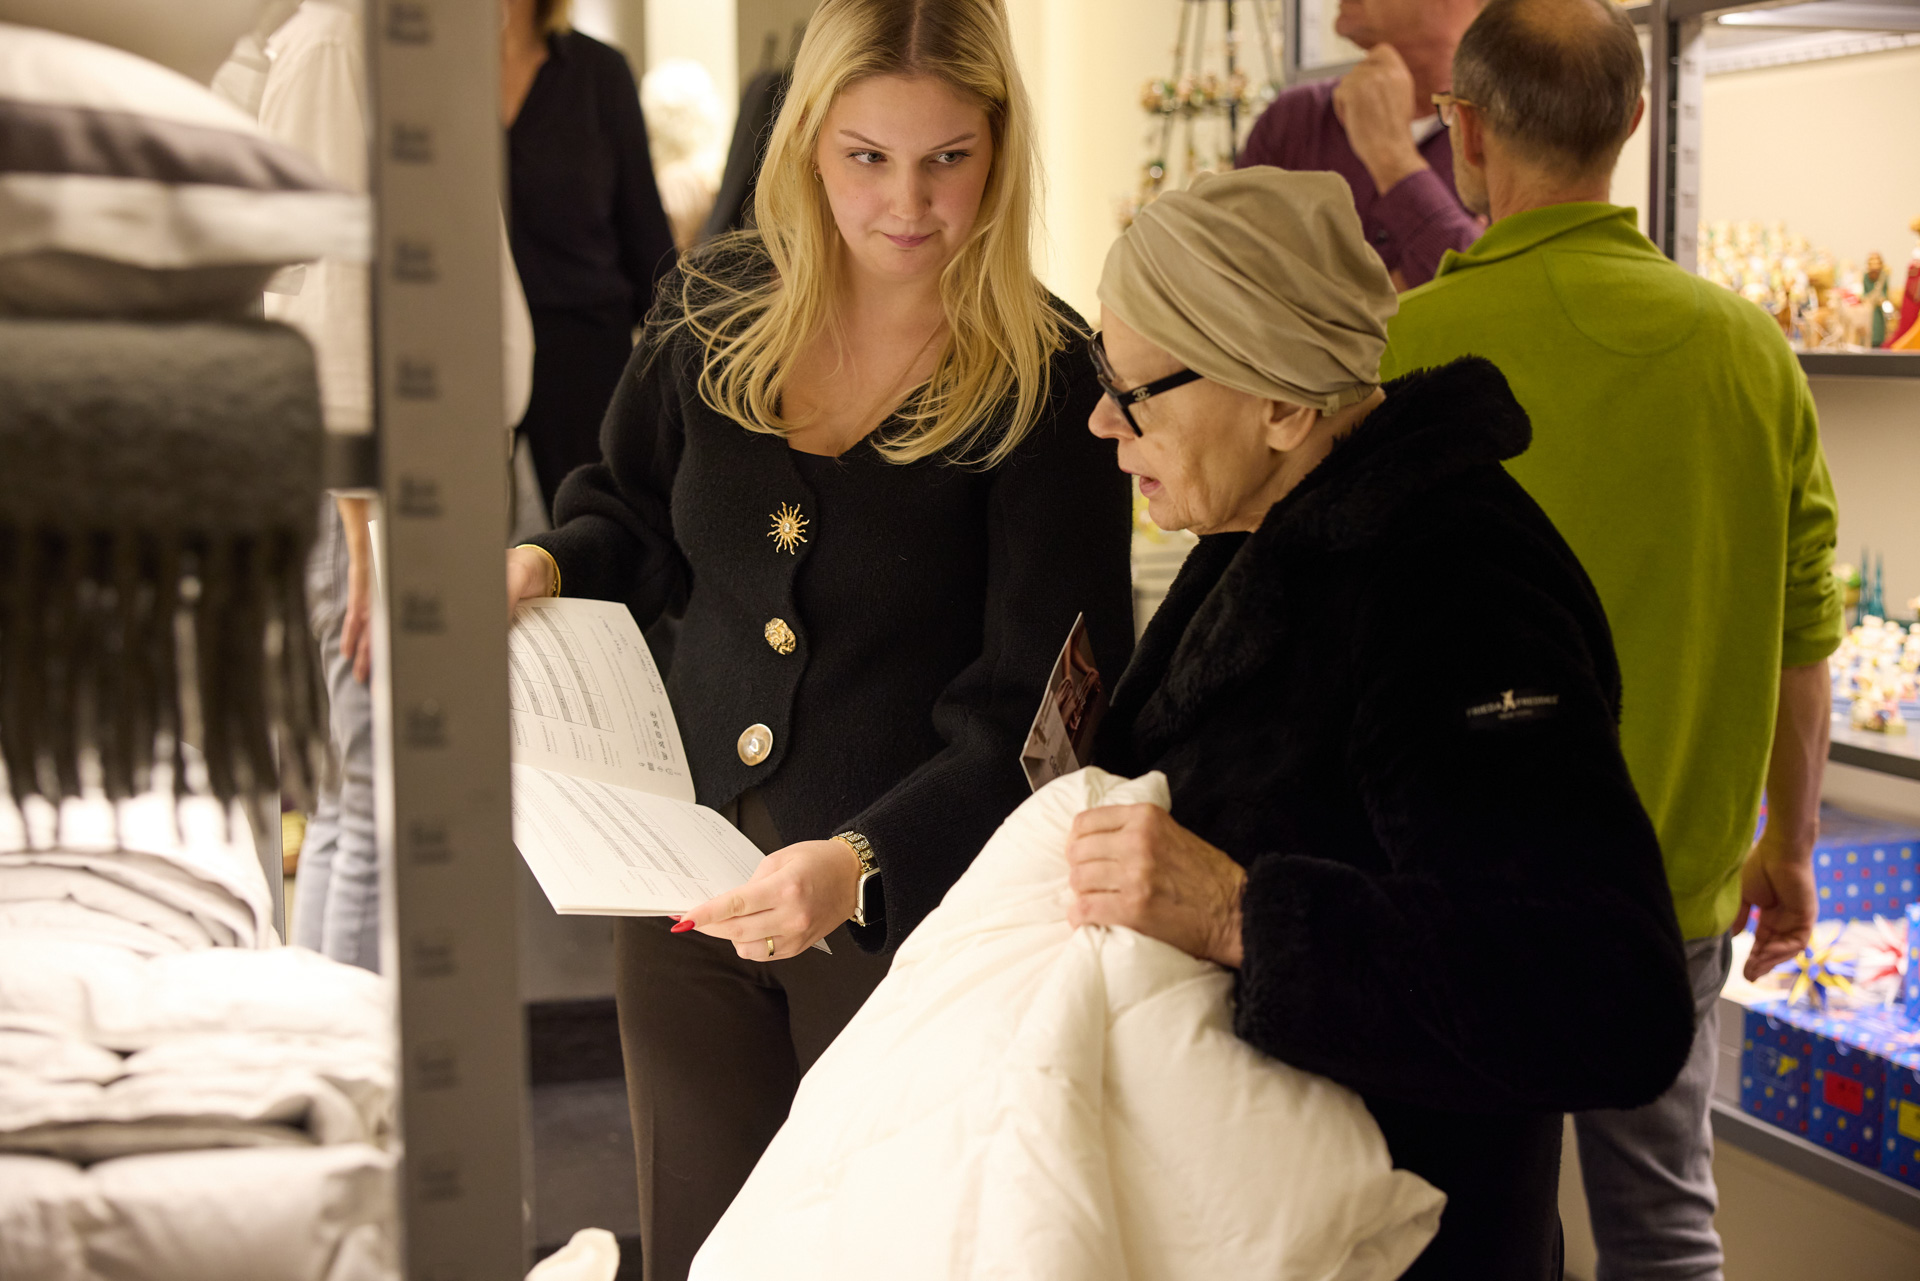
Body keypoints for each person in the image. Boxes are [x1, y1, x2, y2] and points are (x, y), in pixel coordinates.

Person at [503, 1, 1134, 1276]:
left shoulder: (1049, 379)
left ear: (1001, 152)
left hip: (902, 919)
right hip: (682, 896)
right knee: (700, 1246)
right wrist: (546, 562)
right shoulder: (712, 311)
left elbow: (1038, 713)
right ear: (808, 146)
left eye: (948, 159)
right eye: (867, 157)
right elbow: (630, 512)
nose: (908, 202)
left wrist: (860, 863)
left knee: (877, 1249)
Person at [1067, 166, 1695, 1278]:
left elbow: (1607, 991)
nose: (1101, 418)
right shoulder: (1266, 528)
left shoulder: (1458, 589)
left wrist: (1242, 915)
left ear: (1281, 406)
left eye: (1134, 391)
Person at [1378, 1, 1845, 1275]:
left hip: (1467, 895)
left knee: (1467, 1225)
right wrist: (1791, 850)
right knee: (1664, 1227)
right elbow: (1805, 639)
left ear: (1465, 130)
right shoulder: (1752, 354)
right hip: (1671, 893)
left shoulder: (1411, 349)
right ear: (1635, 121)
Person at [504, 0, 676, 516]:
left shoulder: (599, 73)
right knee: (458, 538)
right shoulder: (433, 76)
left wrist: (675, 358)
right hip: (469, 344)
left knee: (595, 527)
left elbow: (644, 225)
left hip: (583, 347)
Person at [1239, 0, 1486, 290]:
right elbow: (1226, 280)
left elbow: (1489, 290)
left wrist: (1394, 161)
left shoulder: (1513, 133)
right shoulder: (1291, 119)